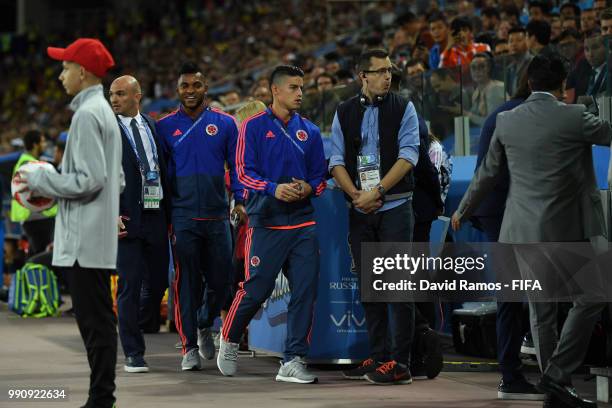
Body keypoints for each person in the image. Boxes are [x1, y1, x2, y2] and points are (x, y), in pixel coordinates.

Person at [452, 53, 610, 408]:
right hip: (566, 229)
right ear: (562, 85)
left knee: (541, 312)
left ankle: (556, 384)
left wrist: (462, 209)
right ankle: (556, 376)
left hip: (519, 231)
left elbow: (486, 175)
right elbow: (608, 133)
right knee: (594, 296)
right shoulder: (573, 115)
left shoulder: (506, 120)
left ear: (529, 81)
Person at [21, 38, 122, 408]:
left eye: (65, 68)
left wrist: (40, 179)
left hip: (84, 240)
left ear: (82, 72)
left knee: (95, 325)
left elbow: (88, 180)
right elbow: (118, 179)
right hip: (94, 235)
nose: (61, 74)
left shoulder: (86, 115)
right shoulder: (103, 112)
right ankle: (101, 397)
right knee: (98, 322)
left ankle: (101, 399)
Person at [217, 65, 326, 383]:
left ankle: (292, 360)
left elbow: (320, 177)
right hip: (266, 221)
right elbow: (241, 173)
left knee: (305, 291)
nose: (300, 93)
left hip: (303, 224)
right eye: (293, 87)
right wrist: (272, 188)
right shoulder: (251, 127)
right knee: (256, 289)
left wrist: (308, 187)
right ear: (275, 91)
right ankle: (230, 337)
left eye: (302, 87)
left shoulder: (311, 131)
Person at [330, 49, 419, 385]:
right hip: (360, 209)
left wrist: (377, 192)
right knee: (371, 289)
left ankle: (401, 363)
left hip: (395, 207)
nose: (388, 76)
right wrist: (355, 195)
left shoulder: (404, 107)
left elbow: (409, 156)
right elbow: (336, 159)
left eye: (390, 70)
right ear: (362, 75)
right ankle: (379, 356)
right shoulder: (343, 111)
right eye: (380, 71)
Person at [156, 62, 245, 371]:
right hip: (182, 215)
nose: (190, 91)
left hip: (218, 214)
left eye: (196, 85)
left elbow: (237, 167)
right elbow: (161, 175)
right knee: (186, 281)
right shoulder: (164, 127)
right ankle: (188, 347)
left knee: (222, 280)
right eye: (185, 86)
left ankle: (205, 321)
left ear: (206, 88)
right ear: (177, 90)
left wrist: (240, 200)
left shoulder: (226, 123)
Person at [470, 71, 544, 401]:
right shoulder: (517, 116)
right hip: (504, 211)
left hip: (497, 210)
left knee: (514, 293)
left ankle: (517, 364)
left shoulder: (502, 112)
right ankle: (511, 374)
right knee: (512, 294)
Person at [109, 75, 171, 373]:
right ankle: (133, 352)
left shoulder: (151, 125)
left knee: (158, 282)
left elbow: (162, 167)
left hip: (156, 213)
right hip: (125, 219)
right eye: (112, 95)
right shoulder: (107, 131)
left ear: (137, 95)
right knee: (129, 286)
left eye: (121, 94)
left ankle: (137, 323)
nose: (114, 99)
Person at [10, 129, 57, 256]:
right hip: (38, 218)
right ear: (35, 144)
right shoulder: (30, 165)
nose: (45, 144)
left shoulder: (24, 162)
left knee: (35, 256)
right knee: (43, 256)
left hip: (32, 218)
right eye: (42, 142)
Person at [468, 53, 507, 126]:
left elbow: (492, 122)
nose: (477, 71)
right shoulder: (476, 93)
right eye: (473, 67)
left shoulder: (497, 88)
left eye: (481, 66)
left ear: (489, 68)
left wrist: (466, 114)